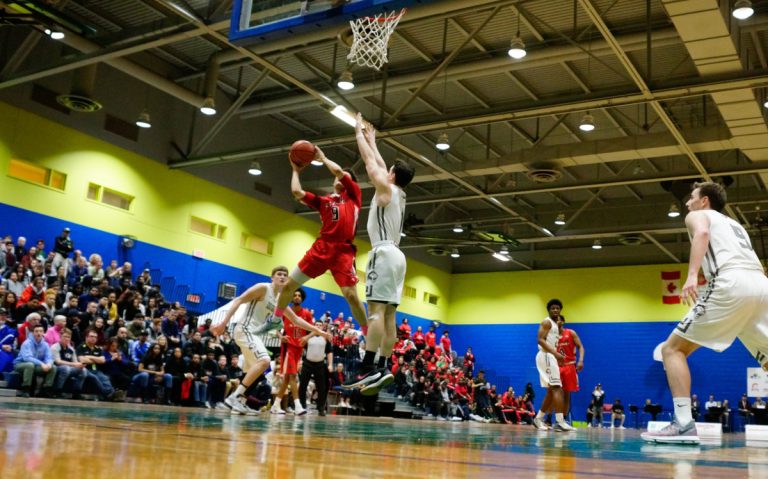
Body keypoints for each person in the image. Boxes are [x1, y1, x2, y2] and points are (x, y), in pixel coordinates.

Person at [642, 182, 768, 445]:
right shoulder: (737, 226)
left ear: (705, 201)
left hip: (730, 283)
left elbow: (701, 235)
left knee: (671, 350)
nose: (688, 203)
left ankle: (684, 424)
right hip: (760, 285)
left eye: (692, 198)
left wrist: (691, 275)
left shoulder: (697, 215)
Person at [343, 113, 415, 396]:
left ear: (393, 176)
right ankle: (384, 365)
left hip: (383, 253)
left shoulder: (385, 188)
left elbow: (373, 164)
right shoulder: (397, 191)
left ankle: (368, 365)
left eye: (390, 170)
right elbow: (382, 163)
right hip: (398, 256)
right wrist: (374, 139)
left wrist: (359, 135)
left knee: (375, 312)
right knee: (389, 316)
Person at [272, 146, 368, 343]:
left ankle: (367, 333)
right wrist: (296, 171)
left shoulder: (354, 196)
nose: (339, 178)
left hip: (343, 251)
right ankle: (274, 319)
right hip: (322, 247)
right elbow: (297, 192)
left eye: (344, 177)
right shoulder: (324, 201)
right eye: (338, 178)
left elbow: (340, 172)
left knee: (351, 296)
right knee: (289, 285)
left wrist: (323, 158)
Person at [210, 266, 328, 415]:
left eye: (285, 275)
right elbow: (239, 300)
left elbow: (296, 319)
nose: (282, 277)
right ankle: (234, 397)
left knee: (256, 372)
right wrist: (223, 323)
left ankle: (239, 404)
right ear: (272, 277)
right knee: (264, 360)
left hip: (254, 334)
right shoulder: (263, 288)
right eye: (279, 274)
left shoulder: (281, 299)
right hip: (245, 329)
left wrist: (318, 331)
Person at [533, 299, 574, 432]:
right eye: (553, 308)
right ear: (549, 310)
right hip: (545, 355)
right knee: (557, 389)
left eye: (558, 308)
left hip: (550, 356)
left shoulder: (556, 324)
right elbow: (540, 340)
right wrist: (556, 354)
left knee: (552, 390)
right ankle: (560, 421)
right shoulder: (547, 322)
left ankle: (538, 419)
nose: (555, 310)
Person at [271, 288, 313, 416]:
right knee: (293, 376)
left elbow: (313, 330)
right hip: (288, 347)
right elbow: (274, 326)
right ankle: (298, 406)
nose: (296, 297)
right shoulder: (285, 312)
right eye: (294, 295)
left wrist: (306, 337)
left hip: (299, 349)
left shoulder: (307, 313)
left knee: (287, 379)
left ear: (302, 298)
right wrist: (280, 336)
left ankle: (275, 405)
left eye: (299, 295)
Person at [298, 322, 333, 416]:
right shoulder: (308, 336)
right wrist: (299, 361)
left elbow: (329, 352)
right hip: (307, 363)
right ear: (313, 326)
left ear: (322, 327)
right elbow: (300, 346)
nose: (318, 326)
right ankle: (301, 406)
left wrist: (330, 364)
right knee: (302, 385)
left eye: (320, 325)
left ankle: (321, 408)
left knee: (321, 387)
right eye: (316, 325)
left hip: (320, 364)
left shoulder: (325, 337)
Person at [13, 324, 57, 397]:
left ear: (43, 333)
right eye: (36, 331)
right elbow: (27, 358)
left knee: (53, 367)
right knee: (30, 365)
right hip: (20, 364)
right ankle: (25, 389)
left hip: (35, 366)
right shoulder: (27, 343)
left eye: (40, 331)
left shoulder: (45, 344)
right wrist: (42, 364)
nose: (39, 333)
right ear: (33, 333)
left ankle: (45, 390)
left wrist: (49, 364)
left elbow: (49, 357)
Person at [556, 314, 585, 421]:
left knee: (567, 393)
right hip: (556, 366)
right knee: (554, 392)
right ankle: (550, 418)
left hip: (569, 365)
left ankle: (564, 418)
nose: (556, 322)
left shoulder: (570, 333)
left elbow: (581, 346)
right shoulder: (551, 335)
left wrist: (581, 360)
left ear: (563, 321)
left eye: (559, 320)